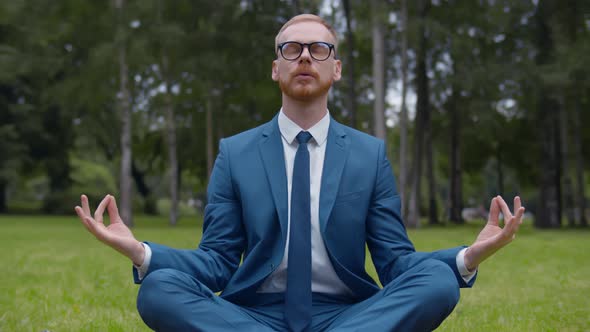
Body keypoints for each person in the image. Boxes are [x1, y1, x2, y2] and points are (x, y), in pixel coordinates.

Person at [74, 14, 525, 332]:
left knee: (437, 281)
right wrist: (141, 252)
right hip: (252, 316)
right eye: (292, 48)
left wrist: (467, 256)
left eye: (318, 48)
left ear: (336, 68)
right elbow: (216, 261)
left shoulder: (369, 156)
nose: (305, 56)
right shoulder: (236, 153)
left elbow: (395, 265)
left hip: (349, 316)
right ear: (276, 68)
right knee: (159, 289)